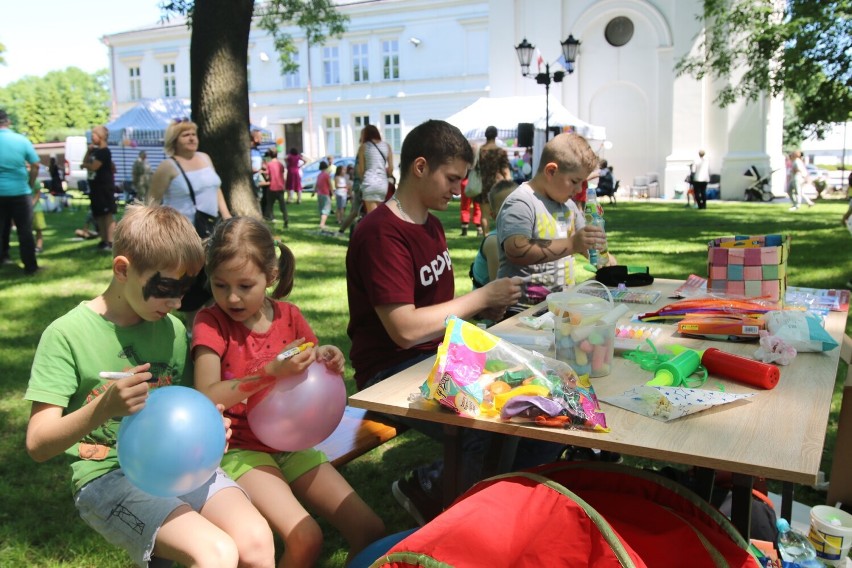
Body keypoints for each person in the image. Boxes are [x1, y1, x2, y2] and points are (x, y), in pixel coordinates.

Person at [24, 205, 275, 568]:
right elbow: (37, 445)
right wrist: (103, 408)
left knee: (256, 541)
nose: (175, 304)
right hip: (106, 476)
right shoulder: (65, 335)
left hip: (177, 465)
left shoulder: (171, 329)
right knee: (215, 553)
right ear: (123, 270)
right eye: (165, 289)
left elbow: (190, 404)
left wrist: (211, 423)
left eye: (185, 291)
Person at [347, 119, 540, 526]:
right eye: (452, 178)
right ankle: (440, 500)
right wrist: (480, 297)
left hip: (435, 355)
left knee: (534, 399)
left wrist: (484, 310)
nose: (460, 189)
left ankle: (498, 500)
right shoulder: (381, 233)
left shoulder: (431, 224)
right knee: (485, 423)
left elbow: (437, 309)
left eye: (463, 179)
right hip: (388, 370)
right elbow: (405, 330)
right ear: (420, 167)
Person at [193, 216, 385, 566]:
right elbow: (206, 396)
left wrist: (326, 354)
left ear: (271, 276)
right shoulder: (211, 323)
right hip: (239, 448)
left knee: (370, 529)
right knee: (306, 536)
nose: (231, 297)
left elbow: (306, 368)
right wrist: (268, 373)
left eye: (244, 286)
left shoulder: (289, 317)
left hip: (293, 444)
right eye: (220, 285)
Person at [496, 132, 607, 295]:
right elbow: (516, 250)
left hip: (561, 305)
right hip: (522, 312)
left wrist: (605, 258)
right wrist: (572, 244)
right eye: (575, 182)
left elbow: (585, 244)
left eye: (583, 183)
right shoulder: (521, 202)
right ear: (551, 171)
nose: (578, 190)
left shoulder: (568, 205)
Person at [148, 118, 232, 315]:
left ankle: (207, 325)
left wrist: (226, 214)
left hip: (210, 230)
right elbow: (152, 202)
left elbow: (215, 188)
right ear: (174, 140)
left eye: (194, 134)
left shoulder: (205, 158)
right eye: (186, 135)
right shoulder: (168, 166)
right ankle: (188, 328)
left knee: (212, 279)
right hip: (183, 235)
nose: (192, 138)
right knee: (188, 284)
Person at [0, 108, 41, 274]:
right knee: (25, 230)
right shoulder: (21, 140)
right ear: (8, 121)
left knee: (2, 229)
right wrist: (30, 183)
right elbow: (36, 165)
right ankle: (30, 267)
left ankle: (3, 258)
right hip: (20, 192)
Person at [470, 180, 517, 288]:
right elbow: (499, 289)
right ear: (494, 215)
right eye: (506, 207)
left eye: (519, 203)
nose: (515, 210)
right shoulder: (493, 242)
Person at [81, 125, 117, 251]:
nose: (92, 137)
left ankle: (111, 241)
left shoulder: (104, 152)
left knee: (107, 214)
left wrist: (85, 165)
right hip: (95, 187)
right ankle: (103, 240)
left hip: (104, 188)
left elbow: (93, 167)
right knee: (99, 214)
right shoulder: (95, 152)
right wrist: (88, 151)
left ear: (100, 136)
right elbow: (85, 162)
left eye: (94, 135)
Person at [475, 126, 512, 234]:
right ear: (496, 136)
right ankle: (500, 236)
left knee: (484, 214)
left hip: (483, 184)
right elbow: (505, 171)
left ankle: (486, 238)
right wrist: (509, 184)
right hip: (497, 186)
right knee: (500, 213)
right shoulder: (501, 152)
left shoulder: (479, 151)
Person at [356, 124, 393, 214]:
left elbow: (361, 170)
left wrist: (362, 179)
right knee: (379, 214)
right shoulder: (387, 146)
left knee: (371, 216)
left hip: (369, 182)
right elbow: (391, 168)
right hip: (382, 184)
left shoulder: (363, 147)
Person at [263, 148, 288, 227]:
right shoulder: (280, 164)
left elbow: (267, 176)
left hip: (272, 187)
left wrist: (262, 172)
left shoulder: (269, 164)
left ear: (270, 155)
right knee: (282, 205)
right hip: (280, 187)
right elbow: (283, 174)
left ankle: (269, 219)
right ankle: (285, 219)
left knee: (269, 205)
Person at [315, 160, 333, 232]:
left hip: (319, 194)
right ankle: (322, 224)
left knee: (321, 208)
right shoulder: (326, 175)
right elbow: (330, 184)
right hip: (325, 194)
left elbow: (316, 184)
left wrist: (314, 192)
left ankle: (322, 222)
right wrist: (332, 192)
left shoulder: (319, 175)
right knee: (326, 209)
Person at [31, 180, 46, 254]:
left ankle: (39, 246)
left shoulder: (36, 181)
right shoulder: (21, 180)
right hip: (25, 209)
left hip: (37, 209)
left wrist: (32, 203)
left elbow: (38, 193)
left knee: (38, 229)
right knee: (28, 230)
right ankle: (31, 246)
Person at [333, 161, 350, 225]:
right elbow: (336, 186)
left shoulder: (343, 177)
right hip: (340, 193)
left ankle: (341, 219)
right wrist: (344, 186)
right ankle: (339, 219)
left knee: (343, 207)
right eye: (343, 170)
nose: (344, 171)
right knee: (339, 207)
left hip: (344, 193)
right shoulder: (337, 177)